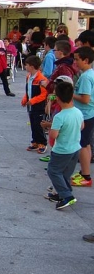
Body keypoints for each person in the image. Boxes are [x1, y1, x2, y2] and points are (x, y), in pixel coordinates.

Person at [42, 81, 83, 210]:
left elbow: (54, 135)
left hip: (62, 150)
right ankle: (62, 193)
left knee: (53, 171)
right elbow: (82, 126)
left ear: (58, 98)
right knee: (65, 173)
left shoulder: (60, 116)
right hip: (75, 148)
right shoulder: (78, 112)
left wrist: (47, 128)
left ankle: (67, 196)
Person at [70, 46, 94, 188]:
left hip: (85, 114)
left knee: (83, 145)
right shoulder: (89, 74)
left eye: (77, 60)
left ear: (86, 60)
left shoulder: (85, 77)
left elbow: (85, 99)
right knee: (86, 144)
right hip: (88, 113)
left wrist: (70, 94)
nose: (75, 62)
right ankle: (84, 171)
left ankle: (86, 176)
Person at [21, 55, 48, 153]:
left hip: (39, 106)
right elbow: (28, 90)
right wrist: (25, 99)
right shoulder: (28, 77)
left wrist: (32, 100)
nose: (25, 67)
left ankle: (42, 143)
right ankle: (35, 141)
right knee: (33, 124)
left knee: (39, 125)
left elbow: (44, 94)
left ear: (32, 66)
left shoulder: (41, 79)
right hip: (31, 106)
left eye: (27, 65)